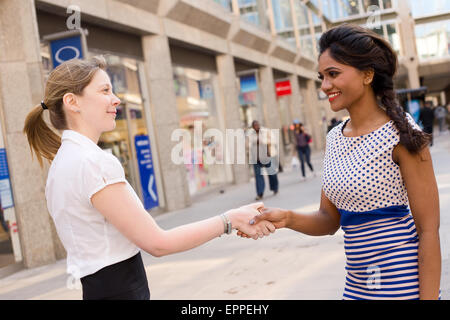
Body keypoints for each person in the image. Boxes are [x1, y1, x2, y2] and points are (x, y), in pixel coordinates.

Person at [23, 56, 275, 300]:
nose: (116, 99)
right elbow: (158, 243)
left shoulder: (62, 163)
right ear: (72, 102)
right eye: (104, 91)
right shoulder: (92, 162)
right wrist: (229, 220)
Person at [243, 24, 441, 300]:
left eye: (333, 74)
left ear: (367, 75)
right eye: (322, 76)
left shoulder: (402, 133)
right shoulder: (335, 138)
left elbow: (429, 232)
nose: (325, 86)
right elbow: (329, 220)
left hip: (401, 286)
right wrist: (286, 218)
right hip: (356, 286)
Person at [247, 120, 279, 200]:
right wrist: (253, 142)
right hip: (256, 158)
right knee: (258, 176)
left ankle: (275, 188)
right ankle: (260, 193)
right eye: (254, 125)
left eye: (257, 125)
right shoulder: (249, 134)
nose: (256, 126)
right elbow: (246, 145)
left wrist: (263, 141)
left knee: (272, 173)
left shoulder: (266, 131)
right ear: (252, 127)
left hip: (267, 156)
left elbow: (274, 141)